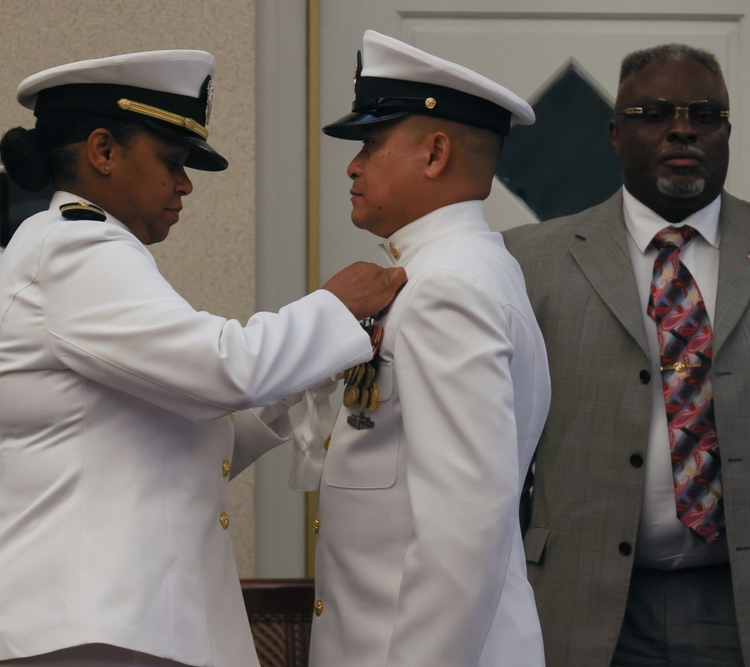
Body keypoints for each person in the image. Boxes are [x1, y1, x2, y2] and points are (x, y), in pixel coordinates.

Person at [0, 50, 406, 667]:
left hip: (90, 627)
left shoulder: (74, 248)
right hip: (72, 630)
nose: (184, 186)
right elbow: (222, 367)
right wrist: (332, 308)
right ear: (103, 151)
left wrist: (301, 383)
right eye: (173, 163)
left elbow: (183, 436)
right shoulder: (77, 246)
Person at [503, 43, 750, 666]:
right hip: (581, 602)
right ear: (616, 133)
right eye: (654, 113)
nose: (682, 128)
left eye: (704, 115)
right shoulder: (523, 261)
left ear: (726, 132)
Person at [290, 30, 551, 667]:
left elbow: (462, 533)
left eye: (371, 145)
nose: (352, 165)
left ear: (435, 153)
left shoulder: (447, 290)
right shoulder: (460, 270)